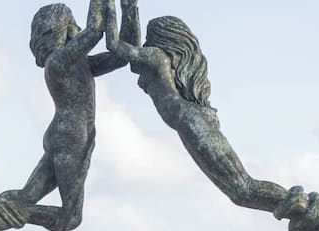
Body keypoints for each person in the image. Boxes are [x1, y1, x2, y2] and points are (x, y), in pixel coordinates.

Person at [104, 6, 289, 215]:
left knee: (243, 187)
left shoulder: (157, 56)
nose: (145, 43)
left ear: (164, 38)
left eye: (149, 37)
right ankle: (300, 208)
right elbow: (129, 50)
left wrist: (108, 6)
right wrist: (129, 8)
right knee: (239, 193)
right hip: (190, 122)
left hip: (191, 121)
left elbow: (115, 45)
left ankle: (304, 206)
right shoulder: (158, 60)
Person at [0, 0, 139, 231]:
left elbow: (122, 56)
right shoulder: (58, 61)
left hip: (65, 136)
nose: (78, 28)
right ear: (59, 29)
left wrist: (129, 9)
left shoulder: (79, 64)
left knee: (26, 197)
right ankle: (8, 211)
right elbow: (94, 32)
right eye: (72, 23)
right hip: (70, 138)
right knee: (70, 217)